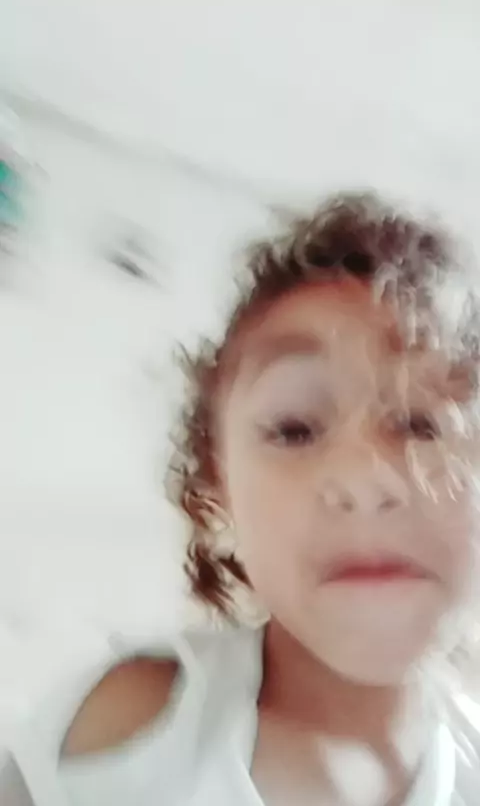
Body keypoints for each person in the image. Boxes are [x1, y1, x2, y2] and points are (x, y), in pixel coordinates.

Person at [3, 191, 480, 805]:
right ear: (216, 496)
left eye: (423, 425)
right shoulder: (135, 729)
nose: (367, 479)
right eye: (294, 430)